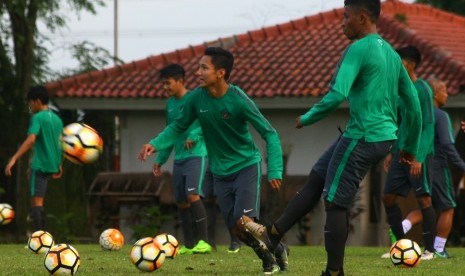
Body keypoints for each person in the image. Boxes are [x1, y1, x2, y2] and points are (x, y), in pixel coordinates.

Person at [244, 1, 422, 275]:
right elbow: (413, 105)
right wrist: (410, 146)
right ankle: (275, 234)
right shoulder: (390, 53)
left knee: (336, 201)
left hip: (361, 136)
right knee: (318, 176)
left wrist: (308, 117)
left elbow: (337, 95)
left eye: (346, 16)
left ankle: (334, 272)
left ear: (362, 18)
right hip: (381, 138)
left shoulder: (358, 49)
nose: (342, 22)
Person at [138, 47, 286, 274]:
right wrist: (155, 144)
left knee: (245, 222)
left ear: (221, 73)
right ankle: (279, 248)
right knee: (238, 231)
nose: (197, 72)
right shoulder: (197, 98)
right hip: (219, 172)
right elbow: (178, 126)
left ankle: (269, 262)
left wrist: (274, 169)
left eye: (203, 68)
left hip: (246, 166)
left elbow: (270, 133)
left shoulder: (238, 99)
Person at [384, 78, 465, 259]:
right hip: (438, 166)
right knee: (447, 207)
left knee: (429, 205)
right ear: (435, 94)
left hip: (420, 163)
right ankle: (438, 248)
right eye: (444, 90)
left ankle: (402, 226)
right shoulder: (441, 115)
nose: (447, 94)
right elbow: (447, 146)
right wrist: (462, 166)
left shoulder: (417, 113)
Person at [382, 45, 437, 260]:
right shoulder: (399, 90)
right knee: (388, 197)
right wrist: (391, 151)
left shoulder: (423, 89)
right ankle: (398, 246)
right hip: (400, 153)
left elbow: (429, 125)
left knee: (424, 200)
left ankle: (430, 250)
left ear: (411, 64)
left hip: (417, 155)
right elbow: (400, 123)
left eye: (400, 62)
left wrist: (420, 157)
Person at [153, 64, 212, 255]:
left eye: (168, 83)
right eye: (163, 84)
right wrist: (161, 159)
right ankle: (188, 245)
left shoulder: (194, 99)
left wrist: (194, 135)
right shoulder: (169, 105)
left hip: (197, 155)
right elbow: (170, 134)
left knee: (192, 195)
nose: (165, 87)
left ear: (180, 81)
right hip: (179, 159)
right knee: (181, 202)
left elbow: (208, 123)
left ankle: (204, 242)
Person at [4, 85, 63, 232]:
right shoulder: (57, 119)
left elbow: (31, 140)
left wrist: (14, 158)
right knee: (36, 198)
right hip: (52, 165)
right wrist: (59, 164)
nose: (29, 105)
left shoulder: (37, 118)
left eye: (30, 102)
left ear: (37, 101)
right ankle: (37, 230)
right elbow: (60, 143)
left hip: (40, 165)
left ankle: (40, 238)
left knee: (37, 202)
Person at [201, 167, 242, 253]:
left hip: (224, 162)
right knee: (207, 197)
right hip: (208, 160)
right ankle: (210, 241)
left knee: (228, 197)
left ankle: (235, 240)